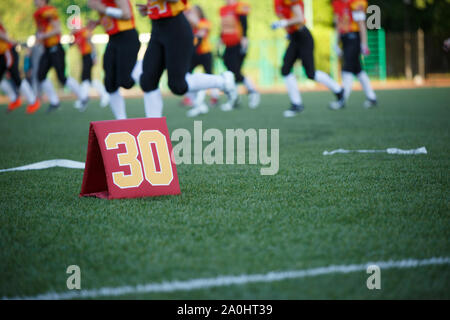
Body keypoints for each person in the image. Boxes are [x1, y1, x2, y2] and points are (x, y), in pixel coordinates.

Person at [137, 0, 237, 118]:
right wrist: (152, 7)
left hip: (176, 29)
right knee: (148, 81)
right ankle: (153, 129)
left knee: (177, 86)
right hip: (157, 29)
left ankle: (222, 80)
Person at [272, 0, 345, 118]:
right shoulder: (276, 2)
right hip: (295, 37)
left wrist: (283, 23)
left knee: (311, 73)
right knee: (285, 69)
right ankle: (297, 104)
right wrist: (287, 30)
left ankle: (339, 91)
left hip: (303, 37)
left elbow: (300, 18)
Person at [88, 0, 141, 120]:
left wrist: (102, 9)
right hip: (113, 40)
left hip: (127, 37)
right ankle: (121, 120)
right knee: (109, 83)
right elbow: (112, 18)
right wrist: (98, 22)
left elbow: (126, 14)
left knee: (125, 82)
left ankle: (141, 66)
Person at [34, 0, 87, 112]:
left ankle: (83, 97)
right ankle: (54, 102)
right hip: (47, 49)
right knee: (41, 75)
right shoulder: (38, 13)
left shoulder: (48, 11)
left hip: (56, 48)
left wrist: (43, 36)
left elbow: (57, 29)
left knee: (61, 77)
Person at [331, 0, 377, 109]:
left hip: (354, 38)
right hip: (345, 39)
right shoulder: (337, 3)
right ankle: (372, 97)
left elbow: (361, 24)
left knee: (347, 68)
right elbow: (339, 23)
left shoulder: (356, 2)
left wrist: (364, 44)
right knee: (358, 70)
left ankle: (342, 99)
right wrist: (336, 42)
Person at [219, 0, 260, 111]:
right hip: (228, 44)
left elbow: (244, 23)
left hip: (238, 42)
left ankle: (251, 92)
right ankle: (235, 97)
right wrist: (220, 40)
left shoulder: (240, 6)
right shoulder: (223, 10)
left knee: (235, 71)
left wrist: (245, 39)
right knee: (231, 71)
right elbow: (223, 27)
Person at [184, 4, 220, 117]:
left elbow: (202, 33)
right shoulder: (190, 25)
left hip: (205, 52)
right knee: (186, 73)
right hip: (193, 53)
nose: (191, 14)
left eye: (194, 12)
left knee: (209, 75)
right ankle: (191, 99)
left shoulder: (204, 22)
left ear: (199, 13)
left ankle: (215, 96)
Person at [0, 20, 41, 114]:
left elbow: (3, 35)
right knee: (14, 77)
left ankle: (33, 101)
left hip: (7, 51)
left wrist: (13, 42)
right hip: (3, 53)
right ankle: (15, 99)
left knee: (16, 77)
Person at [71, 20, 109, 111]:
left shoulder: (84, 32)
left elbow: (91, 44)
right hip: (84, 56)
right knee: (87, 79)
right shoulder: (76, 35)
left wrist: (94, 56)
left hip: (89, 56)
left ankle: (84, 99)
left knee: (85, 77)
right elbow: (71, 44)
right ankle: (87, 98)